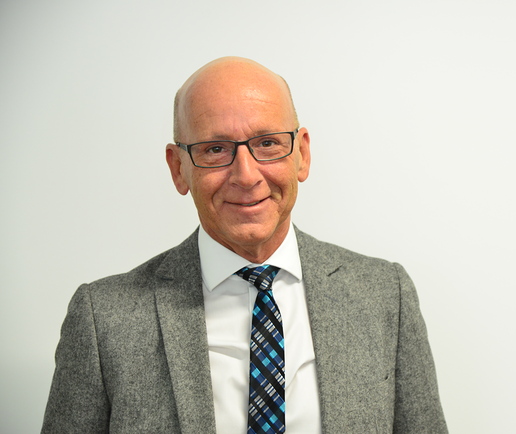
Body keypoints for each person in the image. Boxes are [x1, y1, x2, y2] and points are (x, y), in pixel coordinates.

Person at [41, 57, 448, 433]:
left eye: (267, 143)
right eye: (215, 149)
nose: (247, 175)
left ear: (302, 154)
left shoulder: (385, 294)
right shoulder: (103, 319)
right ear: (178, 168)